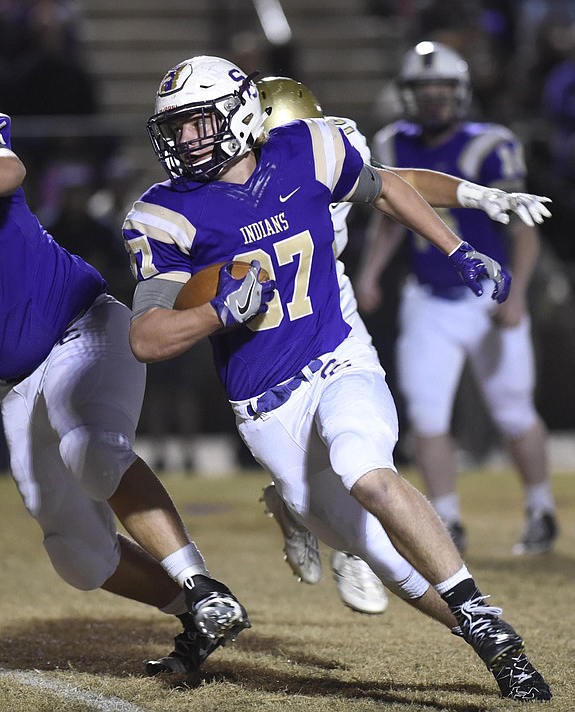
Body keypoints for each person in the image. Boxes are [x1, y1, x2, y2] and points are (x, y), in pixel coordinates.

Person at [123, 55, 551, 701]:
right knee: (379, 555)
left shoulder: (311, 147)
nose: (185, 141)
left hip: (337, 357)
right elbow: (145, 338)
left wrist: (457, 246)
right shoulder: (164, 215)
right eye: (176, 129)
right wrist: (215, 311)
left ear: (240, 112)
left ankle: (496, 641)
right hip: (266, 409)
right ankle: (483, 625)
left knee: (365, 468)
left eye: (198, 123)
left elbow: (390, 186)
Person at [0, 107, 249, 676]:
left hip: (83, 328)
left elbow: (9, 168)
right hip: (16, 385)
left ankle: (199, 582)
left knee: (92, 448)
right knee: (77, 556)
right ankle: (199, 612)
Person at [255, 76, 553, 615]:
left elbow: (393, 184)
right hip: (257, 327)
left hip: (327, 304)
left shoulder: (329, 147)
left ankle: (357, 540)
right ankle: (295, 508)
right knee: (302, 481)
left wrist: (478, 198)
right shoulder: (223, 179)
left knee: (361, 443)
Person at [356, 41, 559, 556]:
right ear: (407, 95)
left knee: (513, 412)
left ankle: (540, 509)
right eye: (424, 91)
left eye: (442, 90)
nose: (433, 101)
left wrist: (518, 294)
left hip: (490, 297)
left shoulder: (491, 143)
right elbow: (392, 219)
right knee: (427, 416)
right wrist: (371, 272)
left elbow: (523, 228)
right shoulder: (393, 142)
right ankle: (447, 520)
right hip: (428, 297)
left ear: (461, 93)